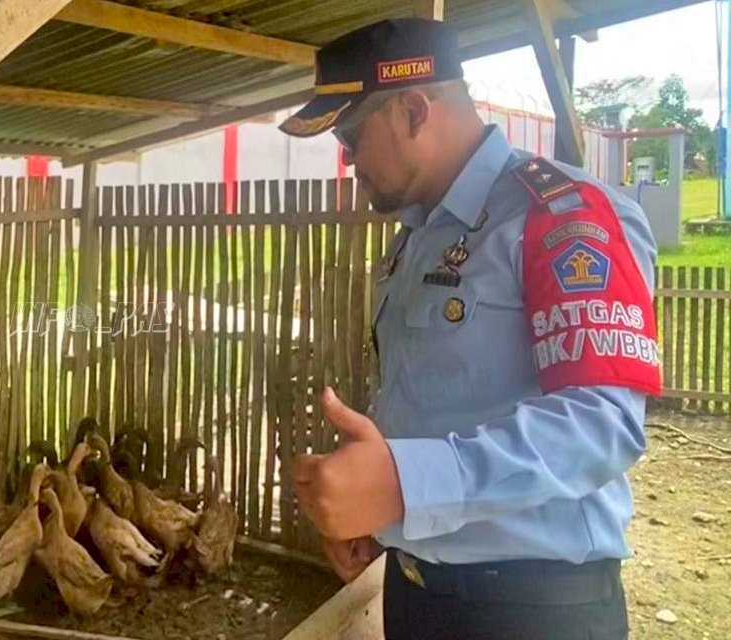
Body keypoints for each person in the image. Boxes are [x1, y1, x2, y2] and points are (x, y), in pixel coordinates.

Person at [280, 18, 660, 640]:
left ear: (412, 109)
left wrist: (405, 487)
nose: (346, 160)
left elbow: (602, 422)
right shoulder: (422, 234)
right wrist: (388, 519)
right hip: (416, 590)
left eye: (351, 134)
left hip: (530, 610)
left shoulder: (558, 214)